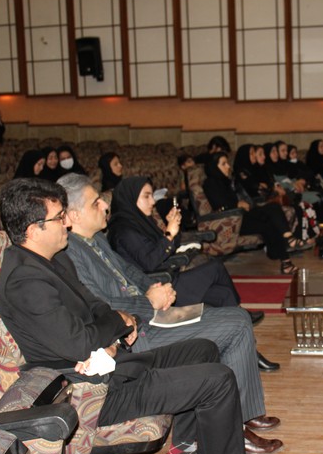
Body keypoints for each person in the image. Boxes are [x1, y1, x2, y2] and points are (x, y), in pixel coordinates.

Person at [0, 178, 275, 454]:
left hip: (115, 367)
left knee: (202, 350)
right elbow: (79, 342)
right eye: (58, 217)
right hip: (90, 393)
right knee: (217, 380)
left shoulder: (52, 260)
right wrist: (117, 327)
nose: (66, 223)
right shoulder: (25, 281)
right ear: (33, 229)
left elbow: (96, 306)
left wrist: (115, 327)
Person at [56, 174, 283, 440]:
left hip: (152, 316)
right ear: (73, 215)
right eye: (96, 203)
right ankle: (237, 426)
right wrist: (149, 302)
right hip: (136, 335)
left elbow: (131, 272)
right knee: (236, 323)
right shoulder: (69, 254)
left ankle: (244, 415)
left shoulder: (96, 239)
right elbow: (100, 306)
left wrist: (158, 289)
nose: (105, 205)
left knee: (235, 316)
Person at [106, 176, 245, 309]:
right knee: (216, 267)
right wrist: (169, 234)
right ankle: (240, 312)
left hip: (165, 276)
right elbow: (150, 262)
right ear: (130, 198)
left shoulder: (137, 222)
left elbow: (166, 248)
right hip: (154, 289)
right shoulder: (123, 230)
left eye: (152, 196)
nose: (153, 201)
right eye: (146, 196)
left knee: (224, 294)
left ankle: (240, 314)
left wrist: (172, 227)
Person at [204, 153, 300, 274]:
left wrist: (240, 202)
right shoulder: (210, 183)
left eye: (227, 163)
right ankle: (287, 242)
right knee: (271, 214)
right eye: (224, 164)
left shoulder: (226, 181)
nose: (228, 166)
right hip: (231, 222)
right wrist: (236, 204)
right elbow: (219, 203)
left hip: (241, 215)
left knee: (272, 213)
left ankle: (286, 257)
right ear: (214, 167)